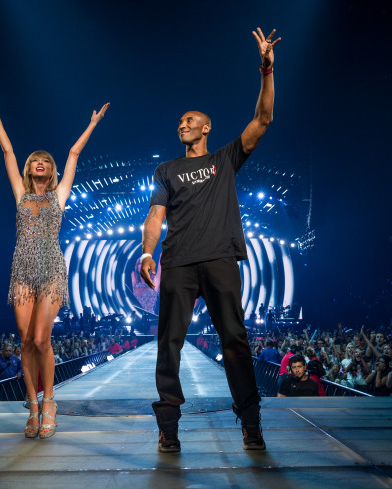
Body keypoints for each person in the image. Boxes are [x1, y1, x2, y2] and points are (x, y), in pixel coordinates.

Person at [140, 27, 280, 452]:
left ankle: (251, 423)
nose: (182, 124)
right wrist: (148, 251)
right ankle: (169, 426)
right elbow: (155, 215)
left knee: (234, 339)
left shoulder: (225, 159)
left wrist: (266, 70)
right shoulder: (166, 170)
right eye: (180, 121)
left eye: (190, 120)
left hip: (219, 258)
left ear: (206, 128)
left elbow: (263, 119)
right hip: (179, 262)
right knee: (169, 344)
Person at [0, 95, 109, 439]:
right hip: (22, 269)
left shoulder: (59, 195)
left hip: (52, 268)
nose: (40, 162)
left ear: (51, 169)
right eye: (35, 160)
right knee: (25, 341)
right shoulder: (20, 194)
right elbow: (8, 153)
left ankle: (51, 400)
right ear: (29, 168)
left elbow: (73, 154)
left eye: (45, 160)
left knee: (42, 339)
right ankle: (33, 405)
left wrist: (93, 124)